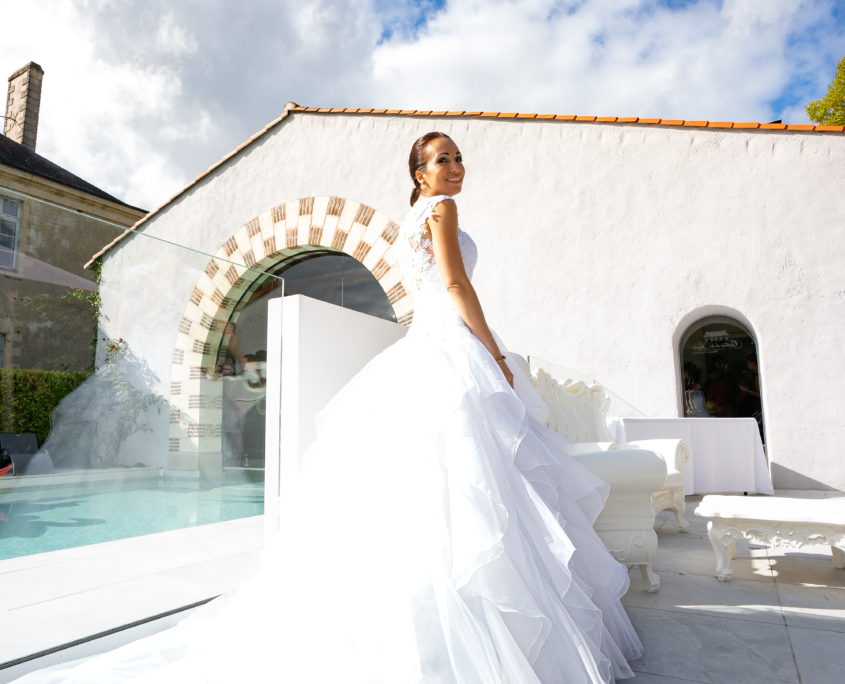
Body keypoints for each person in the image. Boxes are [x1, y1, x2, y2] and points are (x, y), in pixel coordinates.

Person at [14, 133, 642, 683]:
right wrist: (496, 355)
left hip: (425, 347)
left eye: (457, 158)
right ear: (419, 174)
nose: (454, 167)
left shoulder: (410, 221)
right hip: (450, 344)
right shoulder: (442, 211)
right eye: (441, 160)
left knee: (439, 487)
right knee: (473, 483)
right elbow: (453, 286)